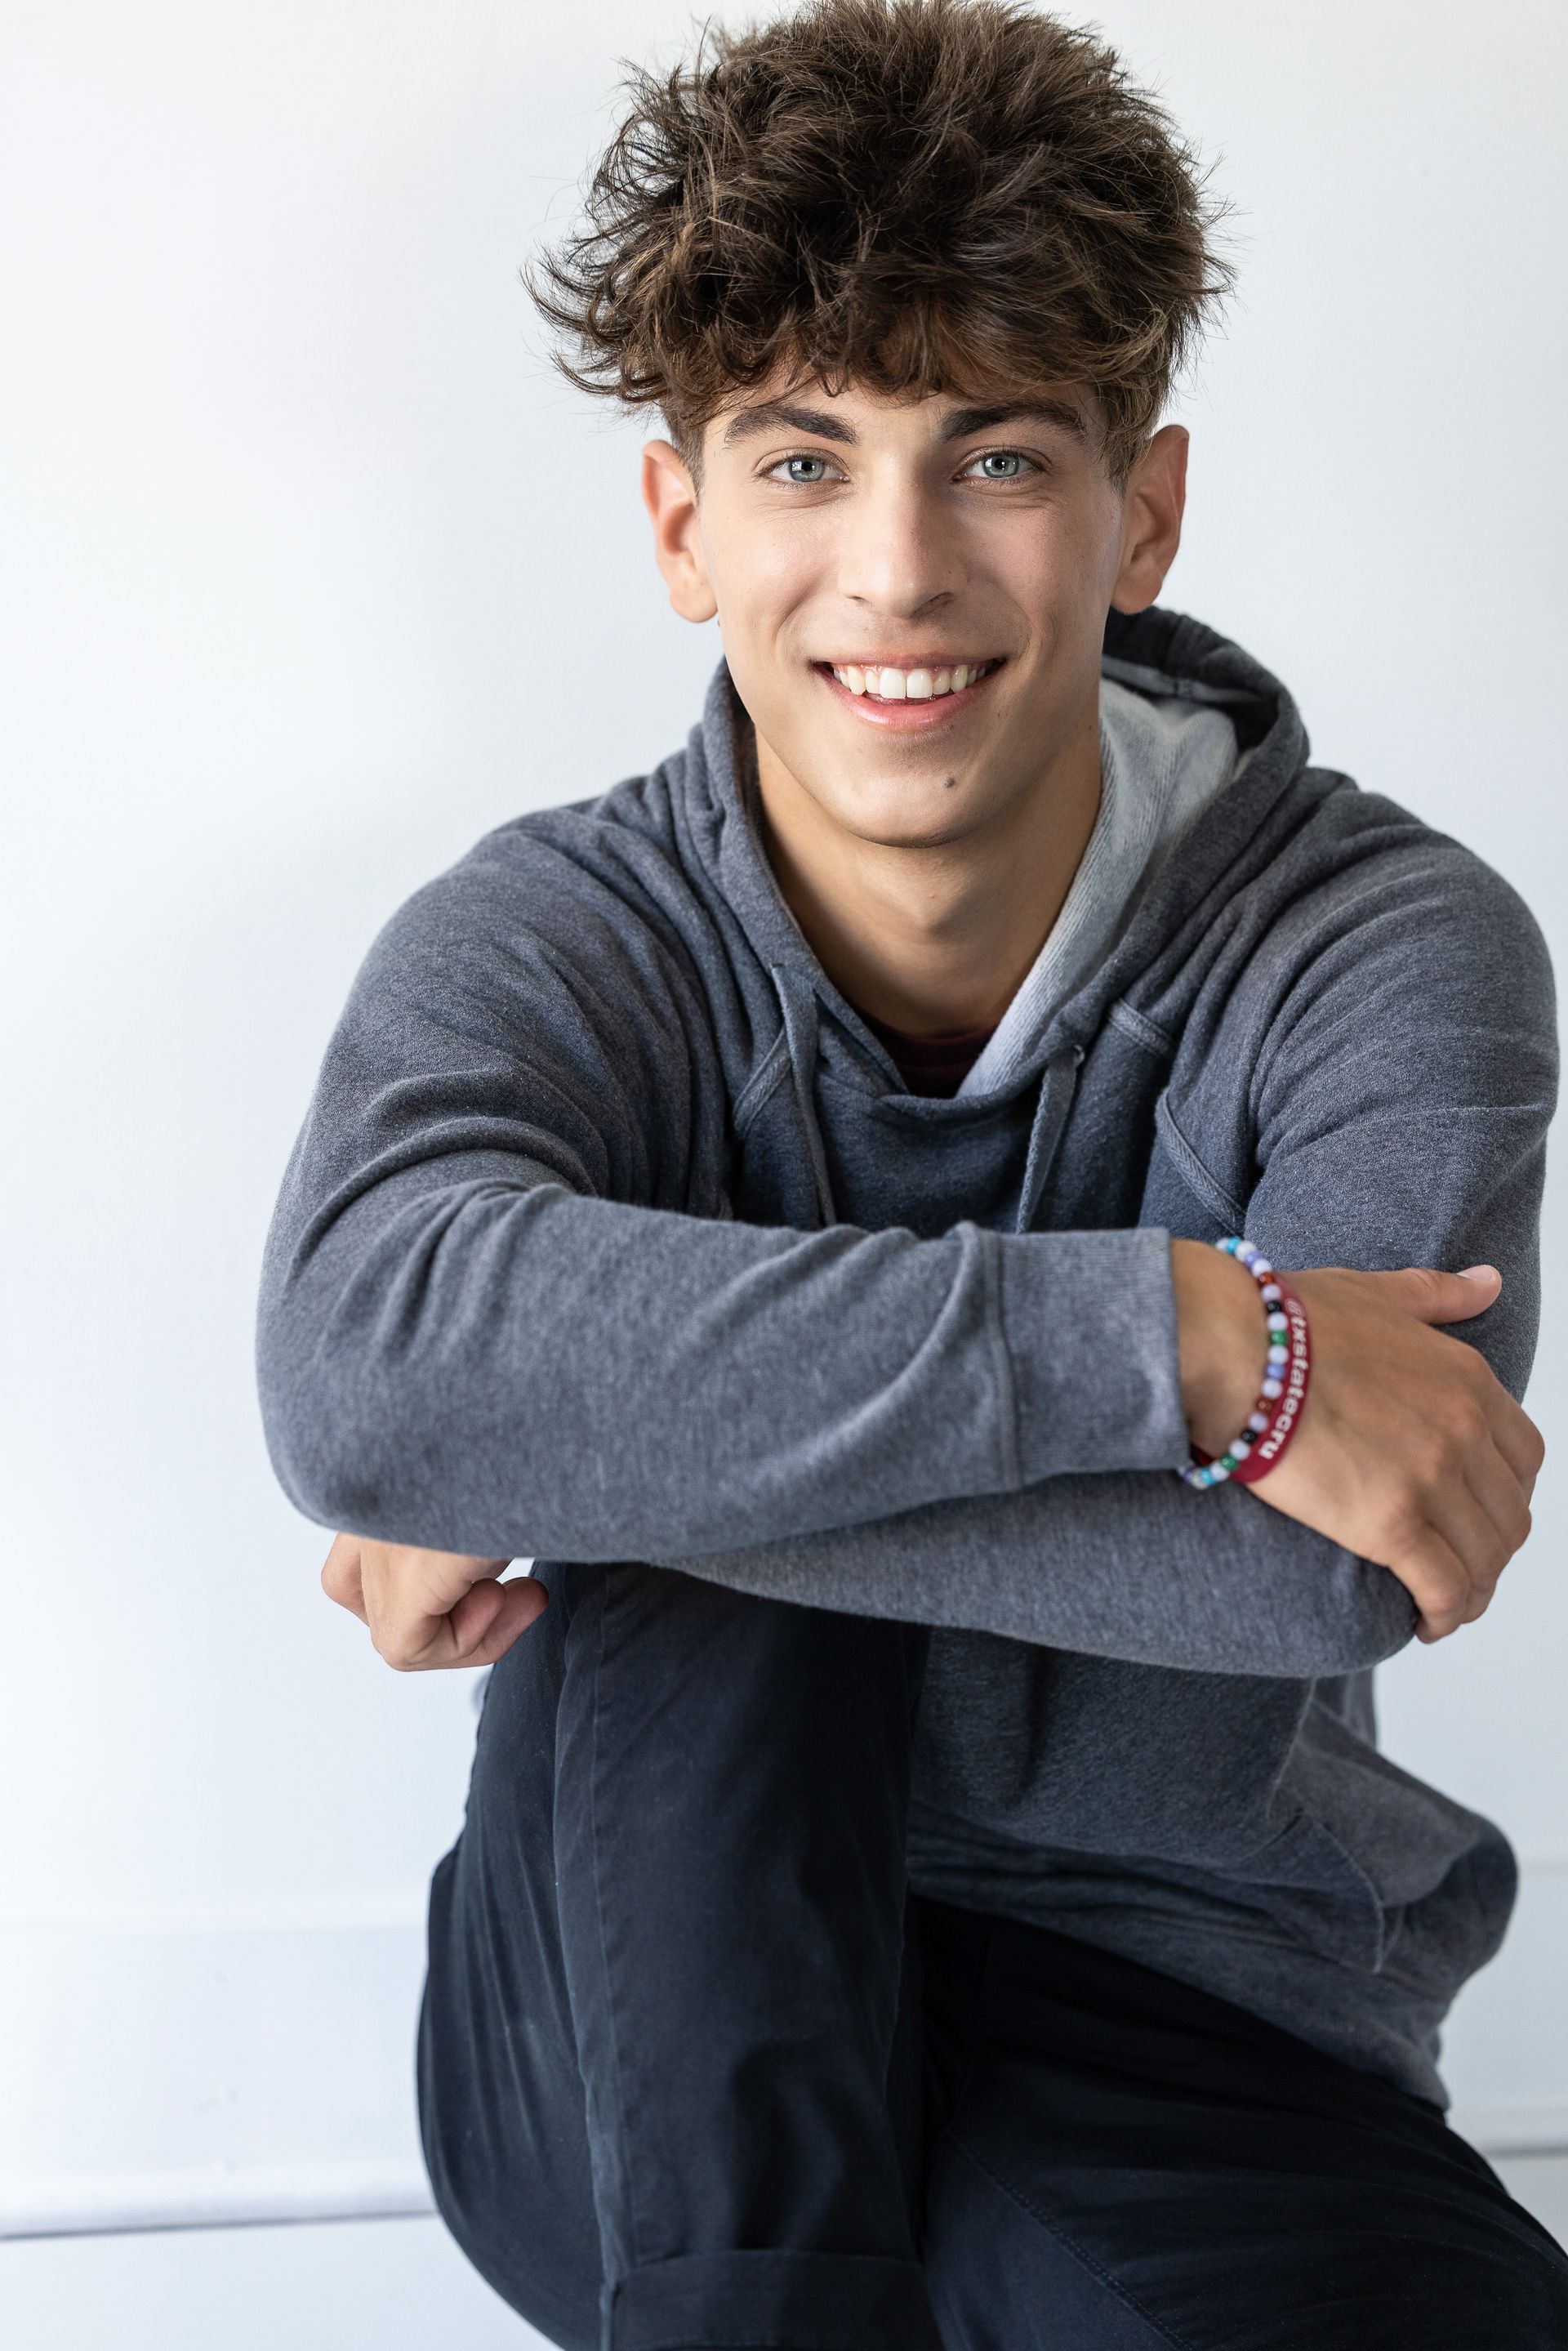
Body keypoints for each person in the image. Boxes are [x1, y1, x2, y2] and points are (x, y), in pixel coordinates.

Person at [256, 2, 1566, 2343]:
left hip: (1181, 2012)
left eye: (992, 459)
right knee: (692, 1446)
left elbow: (1326, 1576)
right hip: (623, 1994)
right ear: (682, 523)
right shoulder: (552, 941)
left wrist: (577, 1431)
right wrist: (1197, 1339)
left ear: (1139, 512)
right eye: (797, 461)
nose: (895, 571)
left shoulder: (1388, 949)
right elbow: (360, 1364)